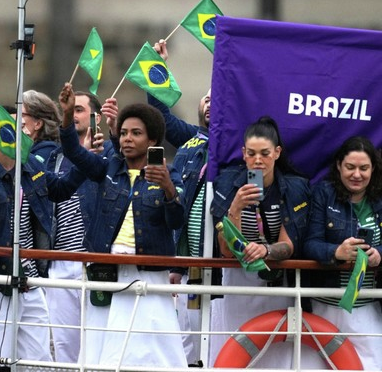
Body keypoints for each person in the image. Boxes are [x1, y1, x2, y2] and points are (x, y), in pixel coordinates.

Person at [58, 82, 188, 369]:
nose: (127, 139)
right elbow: (74, 152)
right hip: (107, 270)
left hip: (149, 276)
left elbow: (176, 221)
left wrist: (168, 187)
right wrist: (67, 117)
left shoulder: (171, 174)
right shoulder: (108, 167)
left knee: (149, 354)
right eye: (125, 132)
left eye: (136, 133)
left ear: (152, 141)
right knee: (101, 350)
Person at [0, 102, 82, 362]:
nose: (20, 133)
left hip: (29, 281)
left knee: (39, 361)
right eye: (12, 128)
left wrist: (85, 158)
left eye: (22, 127)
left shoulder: (30, 166)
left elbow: (61, 188)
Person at [209, 116, 311, 368]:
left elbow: (289, 246)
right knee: (235, 346)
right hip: (238, 280)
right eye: (251, 153)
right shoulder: (228, 182)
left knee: (276, 353)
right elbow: (226, 251)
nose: (257, 160)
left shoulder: (295, 187)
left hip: (277, 278)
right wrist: (235, 208)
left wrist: (265, 250)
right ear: (243, 153)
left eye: (265, 153)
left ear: (277, 153)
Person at [151, 39, 211, 364]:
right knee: (186, 352)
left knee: (216, 349)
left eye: (220, 97)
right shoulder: (190, 138)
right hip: (188, 270)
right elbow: (159, 117)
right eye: (206, 97)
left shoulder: (242, 146)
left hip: (222, 269)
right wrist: (159, 69)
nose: (211, 101)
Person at [45, 90, 115, 363]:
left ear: (96, 116)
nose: (74, 115)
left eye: (80, 110)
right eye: (71, 110)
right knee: (63, 345)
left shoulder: (111, 154)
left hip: (94, 261)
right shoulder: (57, 155)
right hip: (60, 259)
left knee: (97, 344)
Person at [303, 136, 382, 370]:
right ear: (338, 166)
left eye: (364, 168)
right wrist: (336, 251)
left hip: (367, 305)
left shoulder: (379, 199)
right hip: (326, 305)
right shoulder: (323, 194)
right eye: (350, 167)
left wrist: (379, 253)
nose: (357, 174)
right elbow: (310, 243)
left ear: (373, 169)